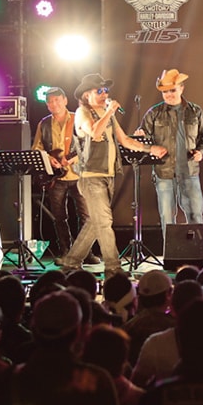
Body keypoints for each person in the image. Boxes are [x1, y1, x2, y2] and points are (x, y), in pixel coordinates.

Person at [56, 73, 167, 275]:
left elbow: (125, 141)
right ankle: (113, 267)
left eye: (105, 90)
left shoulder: (107, 114)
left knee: (95, 222)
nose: (104, 94)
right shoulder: (82, 113)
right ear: (87, 95)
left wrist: (150, 149)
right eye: (99, 91)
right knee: (105, 221)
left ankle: (71, 262)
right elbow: (94, 132)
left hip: (108, 176)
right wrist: (109, 112)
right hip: (91, 176)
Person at [136, 68, 203, 239]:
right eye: (165, 92)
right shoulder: (154, 113)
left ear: (181, 88)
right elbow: (142, 140)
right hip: (164, 172)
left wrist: (201, 152)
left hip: (190, 171)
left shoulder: (195, 111)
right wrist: (145, 142)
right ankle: (171, 252)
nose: (168, 95)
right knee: (167, 217)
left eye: (172, 90)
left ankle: (197, 250)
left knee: (195, 214)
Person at [31, 86, 98, 263]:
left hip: (78, 175)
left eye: (57, 100)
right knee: (59, 217)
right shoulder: (44, 124)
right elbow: (36, 148)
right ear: (47, 105)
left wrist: (73, 159)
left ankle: (85, 253)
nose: (54, 104)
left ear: (65, 100)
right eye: (50, 102)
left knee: (86, 217)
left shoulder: (78, 119)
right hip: (56, 177)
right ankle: (65, 251)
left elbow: (90, 143)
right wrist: (49, 159)